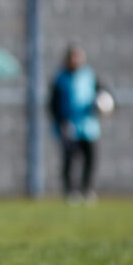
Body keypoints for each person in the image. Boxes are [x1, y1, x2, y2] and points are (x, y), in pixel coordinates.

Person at [48, 44, 109, 203]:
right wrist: (60, 122)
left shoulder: (89, 75)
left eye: (79, 57)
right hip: (69, 126)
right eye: (73, 57)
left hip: (88, 126)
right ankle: (70, 192)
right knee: (69, 160)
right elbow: (53, 104)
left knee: (90, 159)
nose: (76, 60)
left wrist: (106, 104)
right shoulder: (60, 78)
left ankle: (87, 189)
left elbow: (104, 94)